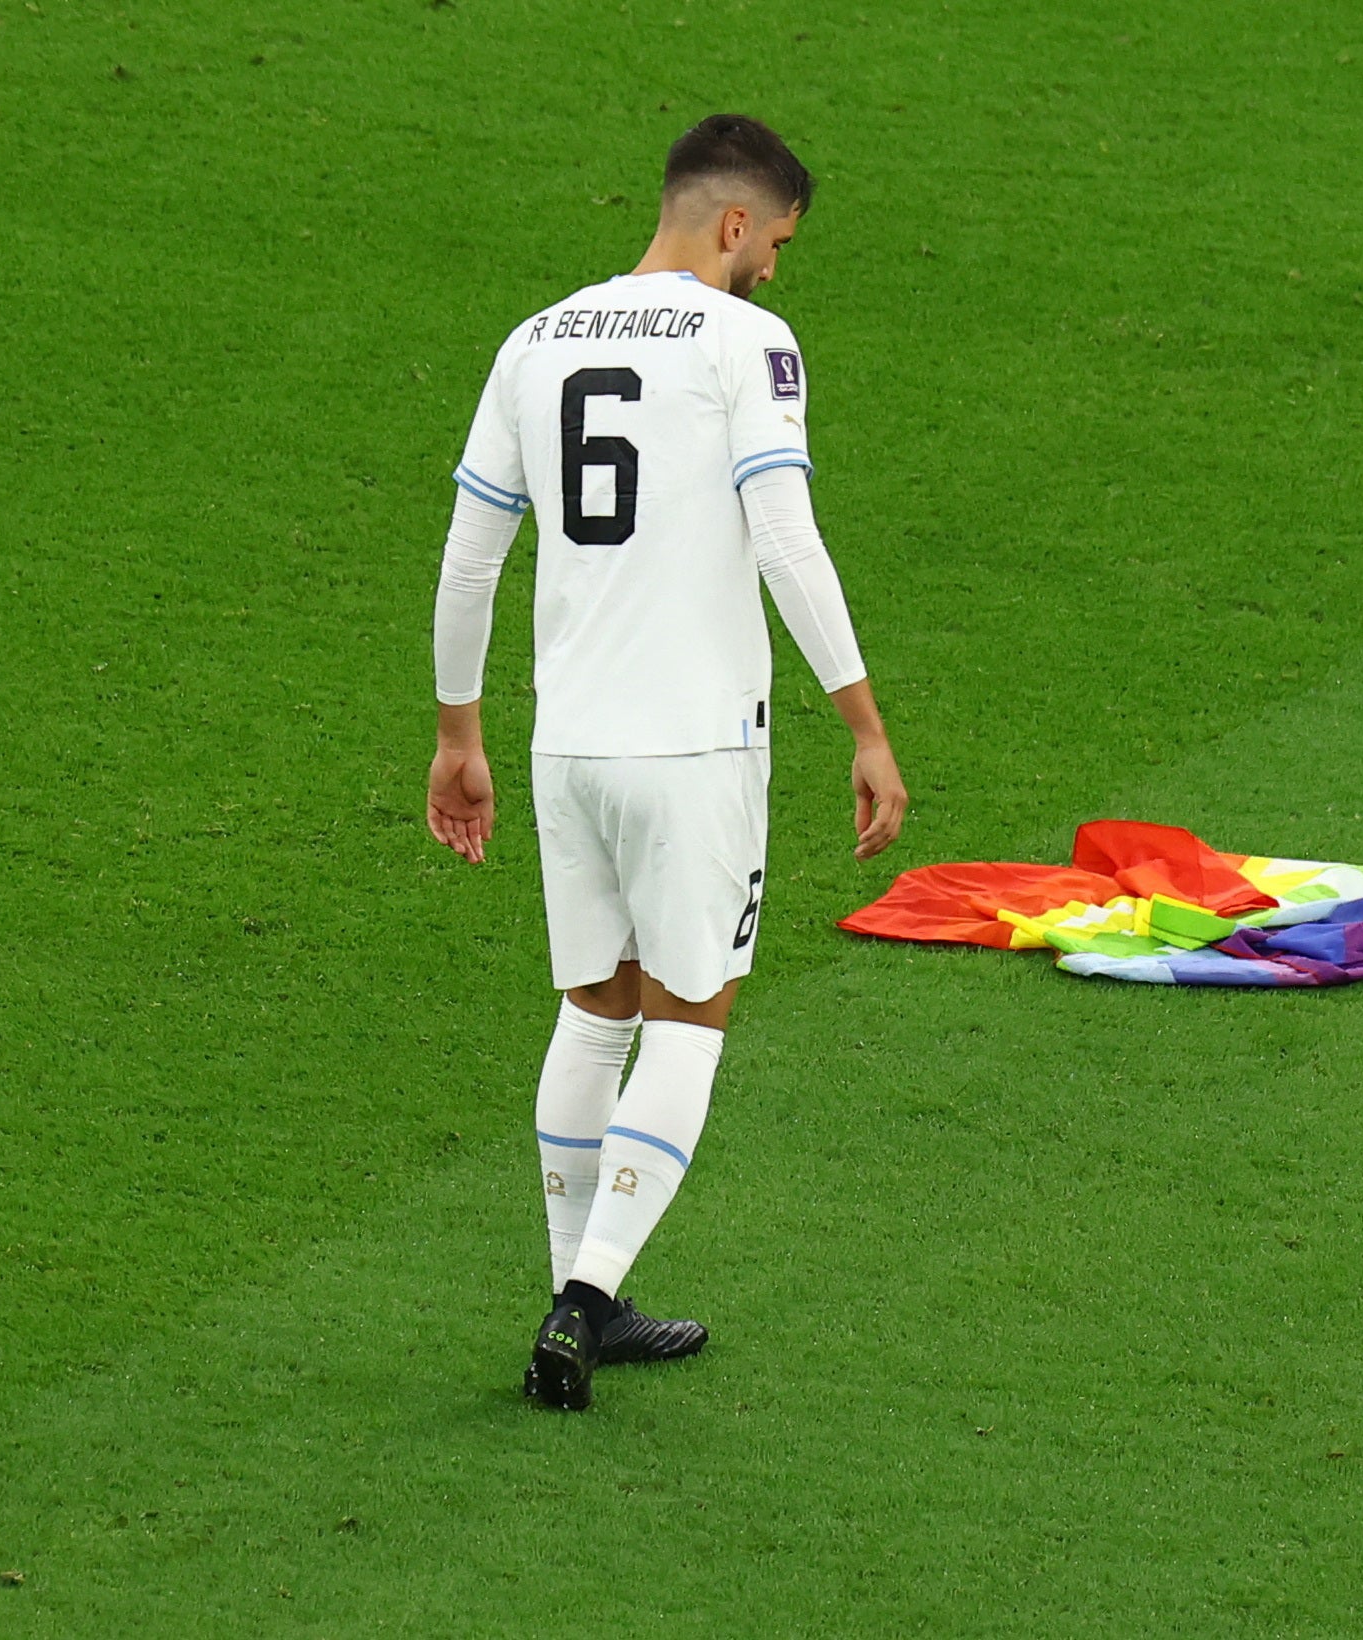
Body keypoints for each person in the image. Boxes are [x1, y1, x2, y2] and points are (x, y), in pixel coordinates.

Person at [423, 113, 908, 1411]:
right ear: (735, 223)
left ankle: (576, 1282)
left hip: (562, 742)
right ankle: (585, 1307)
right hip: (691, 746)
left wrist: (455, 731)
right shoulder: (746, 342)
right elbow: (785, 538)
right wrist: (861, 722)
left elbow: (471, 555)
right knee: (690, 1021)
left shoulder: (534, 339)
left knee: (595, 1005)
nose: (776, 275)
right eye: (778, 247)